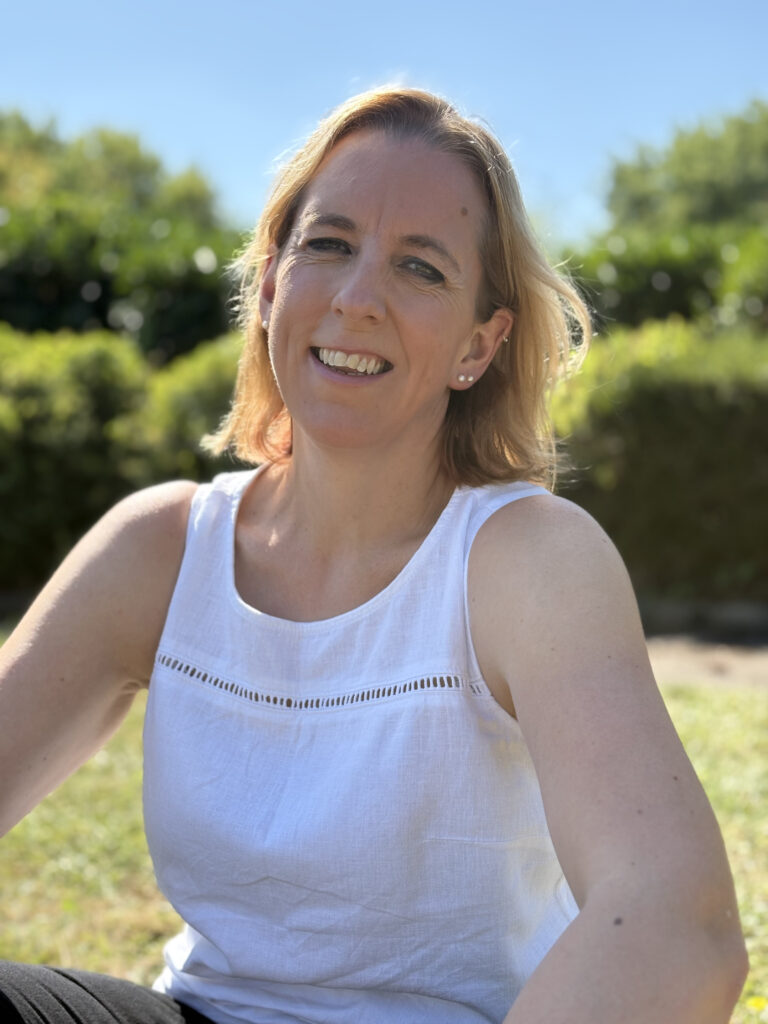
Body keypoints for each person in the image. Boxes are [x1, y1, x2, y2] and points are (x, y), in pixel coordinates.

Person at [0, 87, 747, 1024]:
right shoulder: (161, 544)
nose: (356, 299)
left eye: (422, 269)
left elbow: (680, 925)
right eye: (328, 244)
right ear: (270, 282)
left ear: (481, 343)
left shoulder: (527, 562)